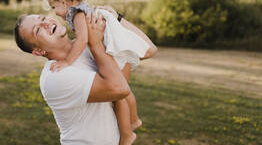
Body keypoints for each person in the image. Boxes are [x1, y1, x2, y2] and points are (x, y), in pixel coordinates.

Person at [14, 9, 157, 144]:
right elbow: (120, 89)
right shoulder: (55, 76)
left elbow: (148, 49)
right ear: (38, 51)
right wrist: (96, 44)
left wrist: (116, 18)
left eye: (43, 18)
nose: (46, 23)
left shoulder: (86, 46)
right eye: (38, 30)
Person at [43, 0, 152, 142]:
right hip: (112, 48)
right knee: (123, 91)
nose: (55, 13)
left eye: (54, 7)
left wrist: (67, 62)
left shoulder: (78, 14)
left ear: (63, 1)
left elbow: (81, 40)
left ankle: (128, 133)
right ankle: (133, 121)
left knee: (120, 95)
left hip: (110, 50)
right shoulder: (85, 9)